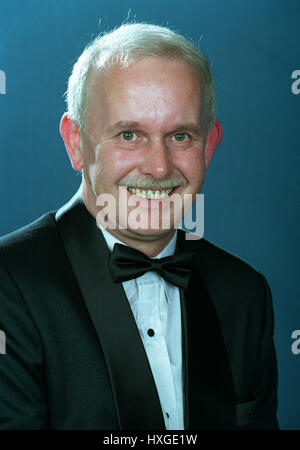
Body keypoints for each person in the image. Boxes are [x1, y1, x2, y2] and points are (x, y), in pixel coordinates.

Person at [0, 23, 278, 430]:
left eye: (180, 136)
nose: (159, 166)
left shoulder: (245, 294)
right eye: (129, 134)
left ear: (209, 145)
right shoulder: (8, 286)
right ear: (75, 142)